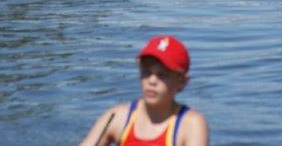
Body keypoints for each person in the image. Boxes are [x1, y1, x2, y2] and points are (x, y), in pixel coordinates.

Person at [78, 35, 209, 146]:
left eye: (162, 75)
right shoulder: (117, 117)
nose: (152, 81)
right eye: (146, 72)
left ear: (181, 81)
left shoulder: (190, 125)